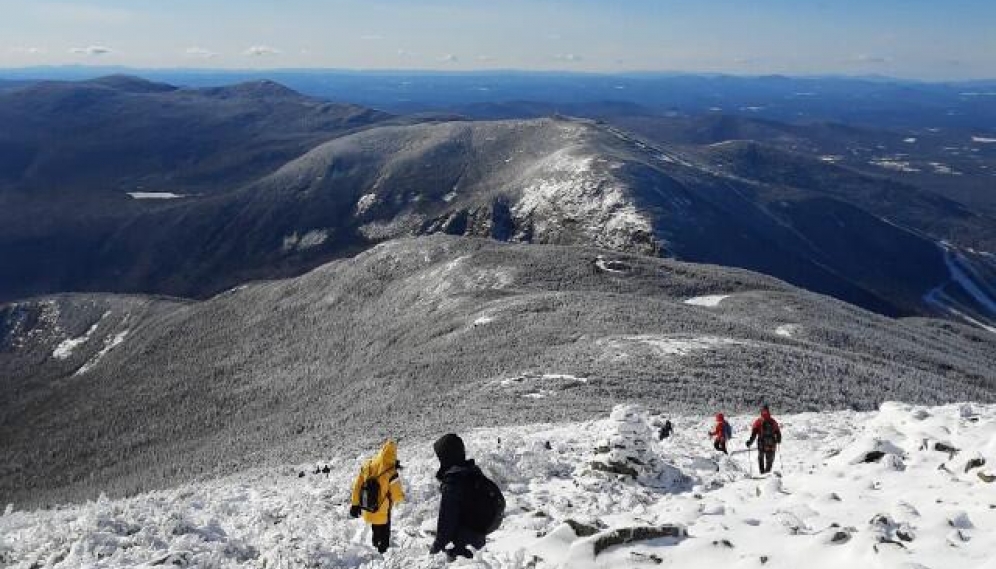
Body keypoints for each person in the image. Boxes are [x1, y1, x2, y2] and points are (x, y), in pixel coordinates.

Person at [430, 433, 503, 560]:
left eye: (441, 457)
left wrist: (434, 551)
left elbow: (446, 525)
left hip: (461, 546)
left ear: (447, 457)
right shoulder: (472, 471)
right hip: (477, 540)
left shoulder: (453, 482)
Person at [349, 440, 405, 554]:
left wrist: (355, 504)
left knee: (375, 524)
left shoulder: (367, 464)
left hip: (368, 505)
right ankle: (383, 550)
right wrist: (401, 499)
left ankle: (375, 544)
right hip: (383, 507)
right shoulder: (391, 470)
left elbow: (357, 486)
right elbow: (397, 495)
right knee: (384, 527)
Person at [746, 405, 782, 474]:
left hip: (761, 443)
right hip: (771, 443)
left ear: (761, 411)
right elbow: (778, 432)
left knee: (761, 458)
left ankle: (762, 473)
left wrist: (750, 442)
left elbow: (754, 433)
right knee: (770, 460)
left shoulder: (758, 421)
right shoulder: (773, 421)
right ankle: (767, 472)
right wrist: (778, 439)